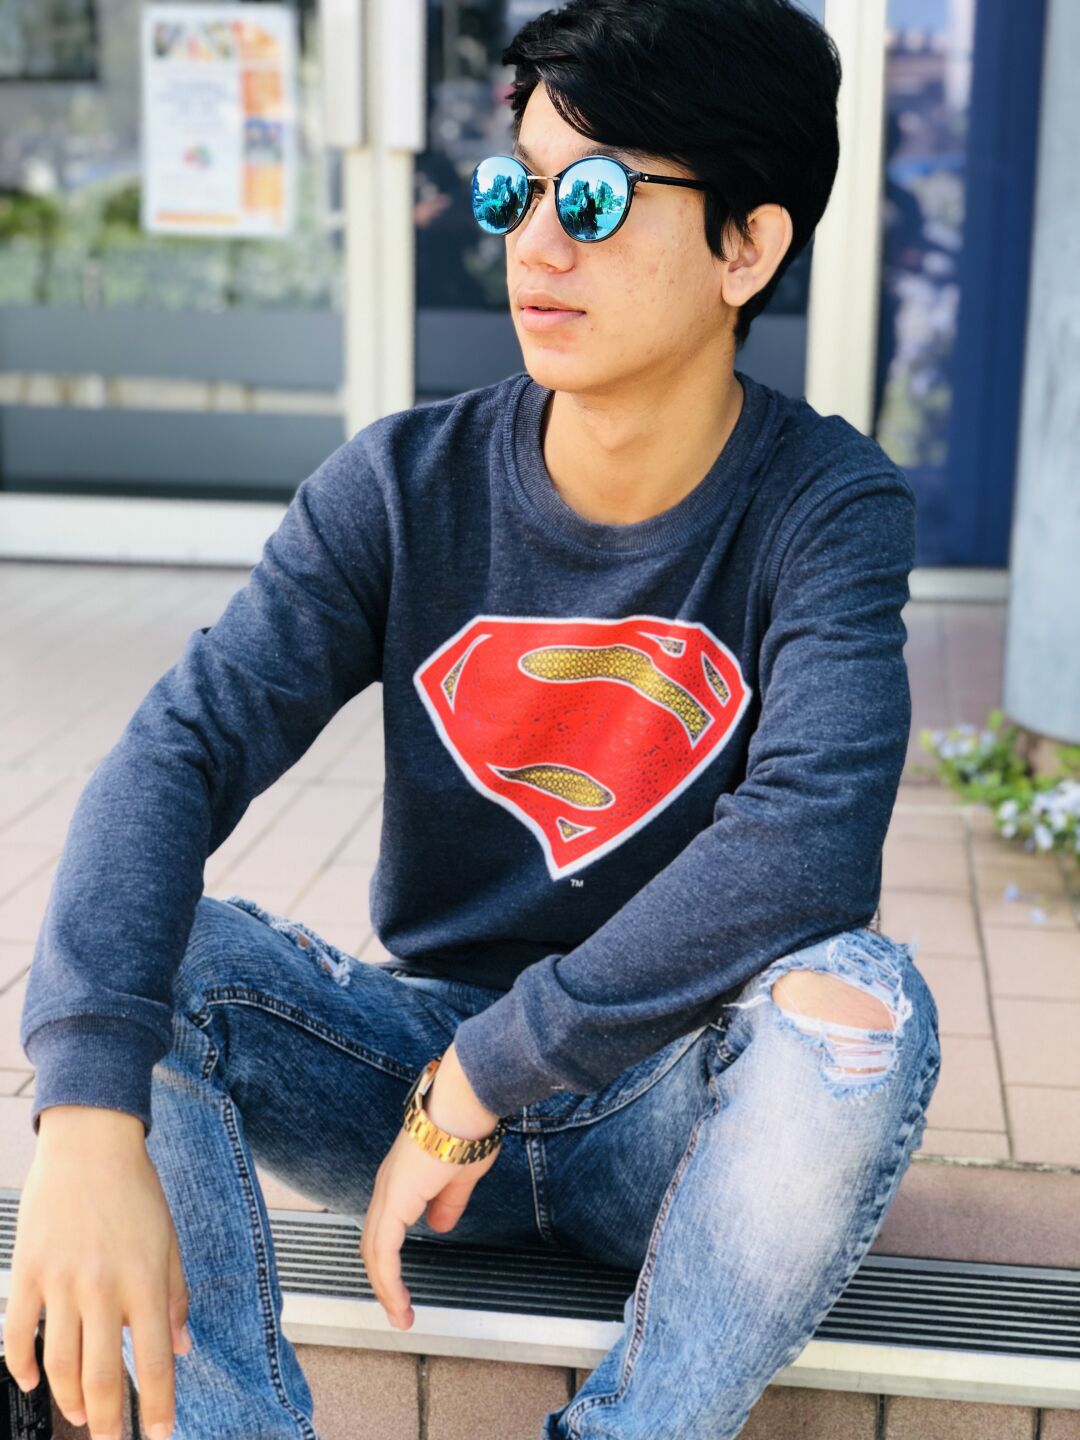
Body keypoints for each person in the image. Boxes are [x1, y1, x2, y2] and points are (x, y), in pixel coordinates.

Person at [5, 1, 942, 1437]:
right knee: (155, 957)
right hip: (407, 1084)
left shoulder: (826, 505)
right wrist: (82, 1116)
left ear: (747, 248)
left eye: (597, 196)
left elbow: (809, 843)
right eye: (518, 189)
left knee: (859, 1011)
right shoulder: (401, 486)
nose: (536, 243)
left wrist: (491, 1076)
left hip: (667, 1114)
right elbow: (177, 753)